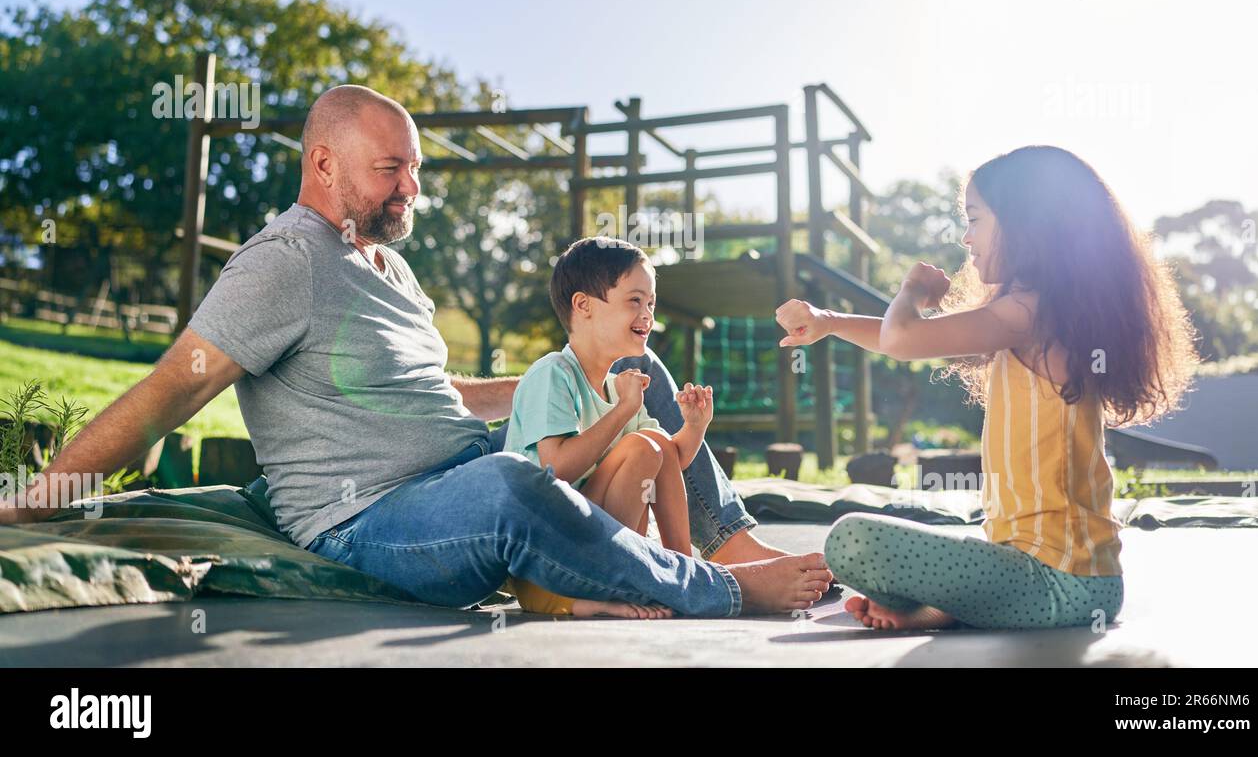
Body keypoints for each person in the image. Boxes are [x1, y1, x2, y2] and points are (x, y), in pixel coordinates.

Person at [0, 84, 831, 618]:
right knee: (515, 483)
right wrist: (42, 495)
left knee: (640, 377)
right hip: (371, 516)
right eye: (392, 168)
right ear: (323, 164)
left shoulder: (389, 266)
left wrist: (563, 381)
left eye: (417, 169)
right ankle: (717, 590)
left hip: (464, 462)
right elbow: (167, 394)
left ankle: (735, 543)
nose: (413, 189)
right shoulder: (283, 264)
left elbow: (440, 393)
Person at [776, 145, 1197, 630]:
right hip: (1040, 573)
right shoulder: (1029, 315)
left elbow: (903, 338)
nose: (966, 237)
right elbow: (908, 338)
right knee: (890, 544)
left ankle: (948, 606)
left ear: (1026, 226)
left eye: (975, 219)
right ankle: (941, 611)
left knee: (851, 540)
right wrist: (830, 321)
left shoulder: (1027, 314)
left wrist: (911, 291)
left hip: (1061, 579)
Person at [500, 237, 715, 617]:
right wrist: (623, 410)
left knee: (654, 443)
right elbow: (557, 469)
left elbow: (670, 461)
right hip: (549, 558)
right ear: (583, 306)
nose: (647, 314)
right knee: (642, 445)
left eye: (651, 302)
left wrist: (695, 426)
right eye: (634, 300)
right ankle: (643, 578)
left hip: (589, 547)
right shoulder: (552, 374)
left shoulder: (620, 387)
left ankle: (684, 570)